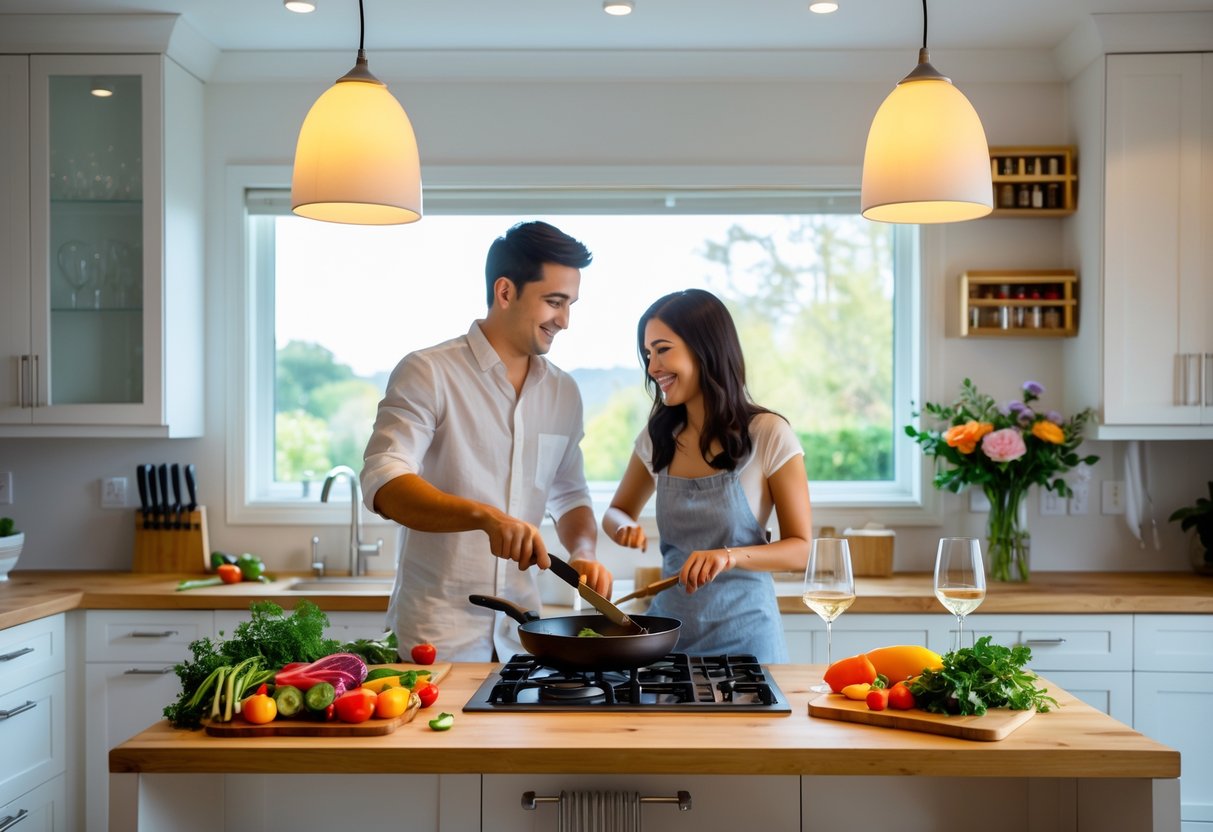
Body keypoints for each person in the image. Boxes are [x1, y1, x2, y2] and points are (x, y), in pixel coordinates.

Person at [361, 220, 612, 662]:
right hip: (437, 638)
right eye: (554, 302)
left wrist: (584, 551)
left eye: (570, 304)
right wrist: (486, 518)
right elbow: (385, 483)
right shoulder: (428, 372)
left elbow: (570, 493)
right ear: (505, 292)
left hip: (525, 639)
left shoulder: (564, 393)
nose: (565, 321)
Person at [602, 288, 811, 663]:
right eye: (648, 354)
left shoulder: (768, 433)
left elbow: (801, 549)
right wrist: (622, 526)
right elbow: (616, 511)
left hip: (748, 642)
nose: (652, 367)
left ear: (705, 349)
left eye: (663, 349)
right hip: (666, 640)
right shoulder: (657, 437)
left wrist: (728, 556)